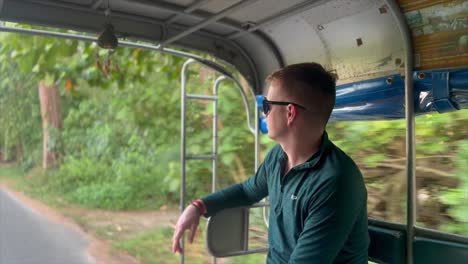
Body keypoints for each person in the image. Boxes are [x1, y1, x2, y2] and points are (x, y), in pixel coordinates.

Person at [172, 62, 370, 263]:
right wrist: (198, 207)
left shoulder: (336, 182)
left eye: (267, 105)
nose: (264, 112)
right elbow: (247, 191)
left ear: (290, 113)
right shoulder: (278, 157)